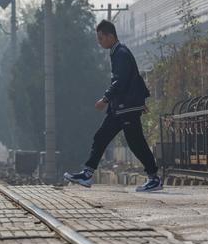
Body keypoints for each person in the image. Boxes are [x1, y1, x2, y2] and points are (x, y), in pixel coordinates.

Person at [64, 20, 163, 192]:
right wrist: (140, 101)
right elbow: (134, 78)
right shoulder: (116, 53)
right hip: (121, 108)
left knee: (136, 142)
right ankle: (87, 173)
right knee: (101, 137)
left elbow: (122, 81)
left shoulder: (121, 53)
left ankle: (154, 178)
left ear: (110, 36)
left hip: (126, 107)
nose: (99, 42)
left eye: (101, 38)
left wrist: (106, 98)